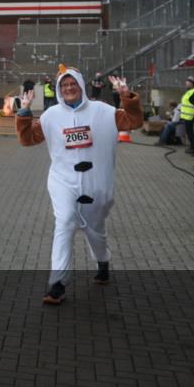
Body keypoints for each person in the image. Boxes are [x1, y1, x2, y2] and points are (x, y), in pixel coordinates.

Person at [16, 64, 143, 306]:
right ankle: (57, 283)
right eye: (64, 85)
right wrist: (23, 113)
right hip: (63, 181)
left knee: (95, 231)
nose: (69, 88)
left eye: (73, 84)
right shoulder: (51, 115)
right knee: (65, 222)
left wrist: (127, 97)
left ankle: (103, 261)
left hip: (97, 184)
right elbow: (28, 139)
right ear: (59, 89)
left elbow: (133, 122)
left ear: (81, 86)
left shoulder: (103, 111)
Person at [179, 76, 194, 156]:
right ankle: (192, 148)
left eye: (188, 82)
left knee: (191, 134)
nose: (186, 83)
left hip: (190, 117)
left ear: (192, 83)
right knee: (189, 133)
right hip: (186, 117)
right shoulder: (189, 91)